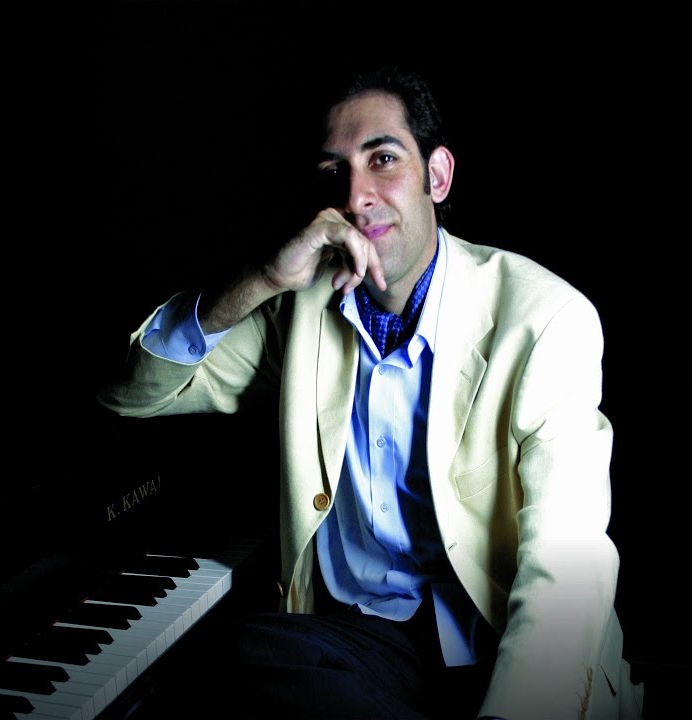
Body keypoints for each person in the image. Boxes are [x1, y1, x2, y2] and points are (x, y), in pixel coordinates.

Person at [97, 66, 643, 720]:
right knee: (217, 659)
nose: (356, 197)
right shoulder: (299, 308)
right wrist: (264, 276)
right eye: (335, 172)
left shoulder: (544, 318)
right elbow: (132, 393)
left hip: (498, 637)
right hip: (363, 642)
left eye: (382, 159)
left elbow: (566, 558)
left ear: (437, 177)